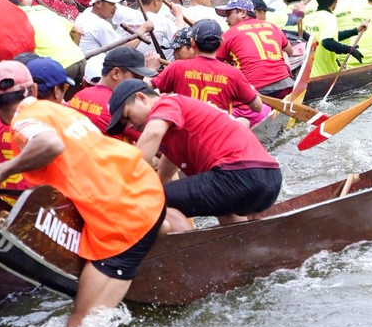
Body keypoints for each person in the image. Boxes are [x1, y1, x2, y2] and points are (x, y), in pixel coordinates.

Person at [0, 60, 166, 327]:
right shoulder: (59, 110)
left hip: (125, 217)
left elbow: (50, 144)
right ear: (34, 89)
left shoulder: (23, 122)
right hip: (143, 187)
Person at [108, 80, 281, 233]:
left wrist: (120, 186)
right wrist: (157, 185)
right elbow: (167, 170)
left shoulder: (168, 102)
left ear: (142, 98)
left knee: (153, 200)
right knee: (219, 204)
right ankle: (241, 248)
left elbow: (152, 133)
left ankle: (188, 251)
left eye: (128, 116)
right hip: (268, 179)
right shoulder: (173, 128)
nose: (130, 125)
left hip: (240, 176)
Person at [151, 20, 264, 124]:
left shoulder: (176, 67)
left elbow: (147, 88)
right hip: (217, 134)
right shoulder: (233, 73)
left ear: (193, 43)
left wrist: (150, 70)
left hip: (185, 132)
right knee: (243, 122)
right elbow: (257, 107)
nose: (175, 52)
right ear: (221, 43)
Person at [216, 0, 293, 95]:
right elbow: (290, 52)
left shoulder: (228, 35)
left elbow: (212, 64)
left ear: (243, 12)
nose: (226, 20)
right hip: (286, 86)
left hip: (256, 92)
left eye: (228, 14)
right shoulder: (273, 27)